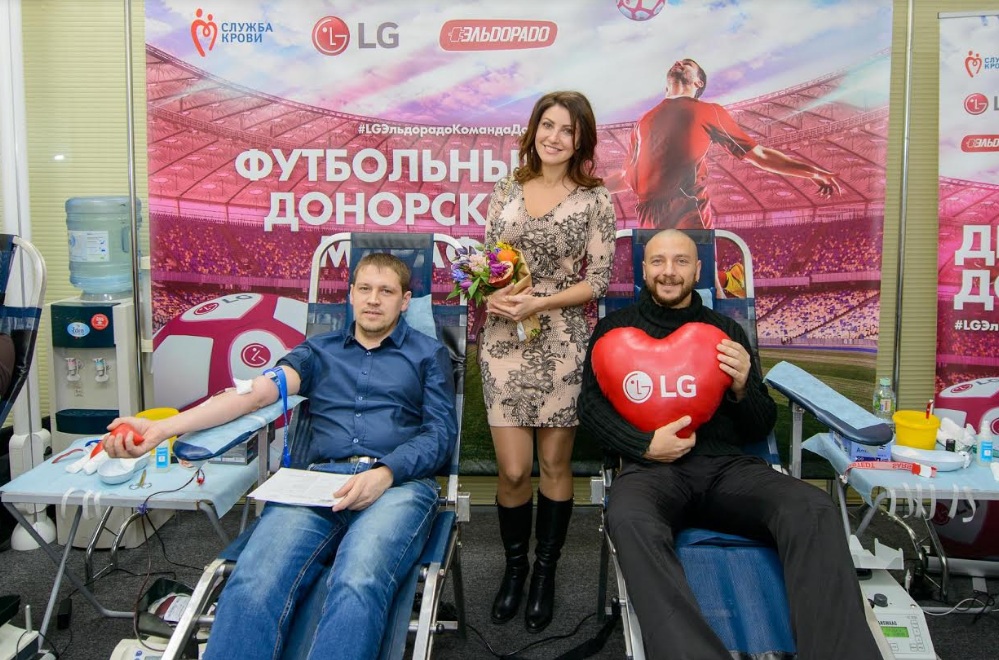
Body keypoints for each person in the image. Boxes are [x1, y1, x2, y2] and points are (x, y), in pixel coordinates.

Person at [105, 253, 457, 660]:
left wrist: (385, 472)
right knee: (254, 579)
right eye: (364, 288)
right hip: (317, 482)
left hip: (396, 485)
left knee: (358, 578)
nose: (373, 299)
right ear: (350, 295)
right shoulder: (317, 352)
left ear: (405, 301)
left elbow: (440, 435)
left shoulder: (428, 355)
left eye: (386, 291)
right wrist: (162, 429)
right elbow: (253, 395)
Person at [579, 229, 881, 659]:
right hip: (651, 471)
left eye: (681, 261)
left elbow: (761, 425)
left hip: (728, 470)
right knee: (628, 518)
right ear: (644, 270)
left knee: (813, 509)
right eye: (658, 261)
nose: (669, 271)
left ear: (698, 270)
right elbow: (590, 409)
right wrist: (644, 444)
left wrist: (742, 388)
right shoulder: (614, 330)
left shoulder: (725, 331)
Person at [480, 90, 616, 633]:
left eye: (567, 130)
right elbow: (490, 262)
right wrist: (490, 293)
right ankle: (514, 569)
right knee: (514, 470)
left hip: (561, 342)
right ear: (533, 130)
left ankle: (545, 573)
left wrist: (539, 303)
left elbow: (597, 280)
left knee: (555, 467)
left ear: (581, 141)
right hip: (502, 340)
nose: (554, 137)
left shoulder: (595, 199)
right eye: (547, 125)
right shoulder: (506, 188)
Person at [605, 58, 841, 230]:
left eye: (688, 63)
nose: (680, 62)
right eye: (680, 61)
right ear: (665, 86)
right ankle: (724, 279)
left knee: (697, 277)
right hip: (647, 214)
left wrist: (813, 171)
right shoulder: (643, 121)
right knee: (659, 284)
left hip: (686, 207)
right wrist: (586, 188)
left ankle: (718, 279)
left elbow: (758, 155)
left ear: (698, 83)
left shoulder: (709, 111)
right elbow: (628, 177)